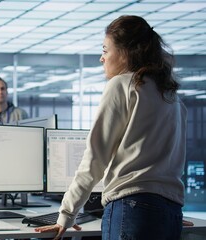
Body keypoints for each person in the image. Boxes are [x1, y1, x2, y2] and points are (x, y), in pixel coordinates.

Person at [35, 15, 192, 240]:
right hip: (170, 211)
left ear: (126, 52)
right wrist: (165, 209)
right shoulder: (170, 95)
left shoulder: (122, 85)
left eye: (105, 50)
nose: (102, 58)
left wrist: (66, 214)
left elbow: (95, 159)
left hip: (132, 208)